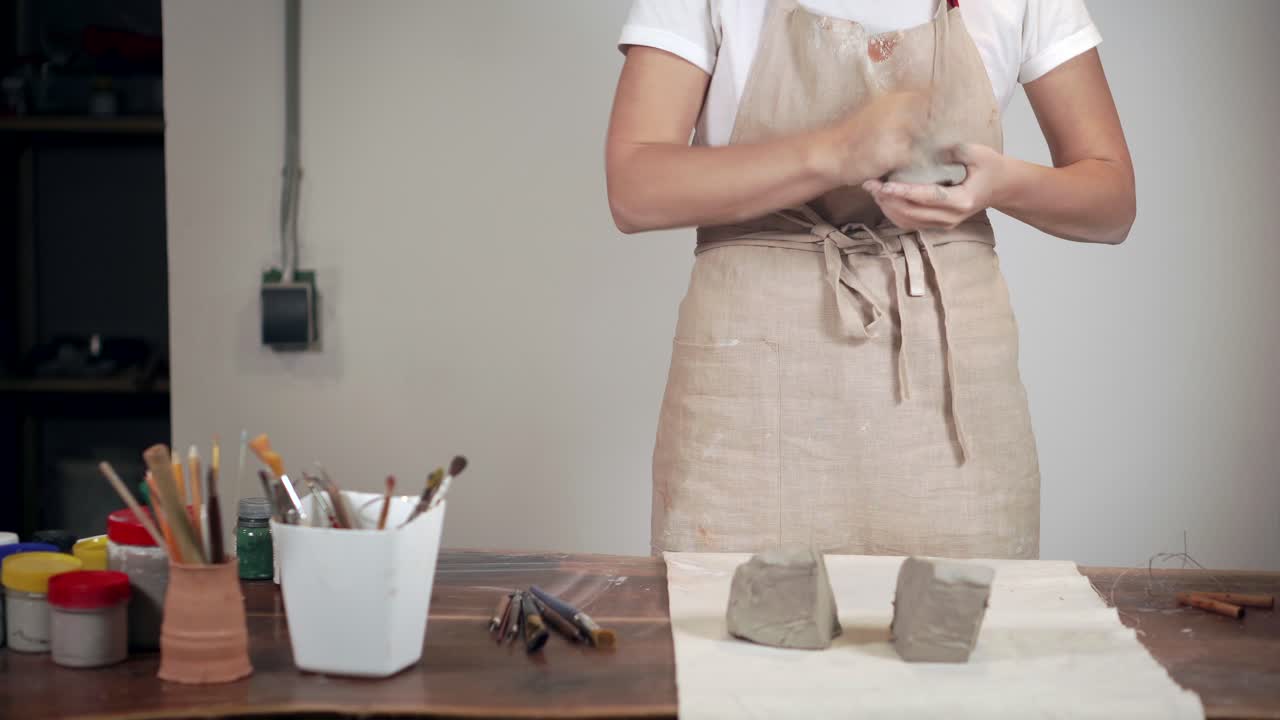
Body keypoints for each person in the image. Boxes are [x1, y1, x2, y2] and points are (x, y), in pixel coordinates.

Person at [606, 0, 1134, 558]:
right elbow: (635, 189)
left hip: (952, 396)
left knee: (963, 611)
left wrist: (1001, 184)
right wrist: (836, 153)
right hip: (749, 399)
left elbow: (1112, 203)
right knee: (730, 608)